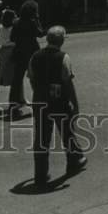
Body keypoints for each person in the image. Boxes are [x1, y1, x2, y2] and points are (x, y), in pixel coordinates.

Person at [28, 25, 87, 186]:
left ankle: (40, 174)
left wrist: (39, 92)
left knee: (42, 138)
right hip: (58, 101)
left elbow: (31, 77)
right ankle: (73, 161)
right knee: (67, 132)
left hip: (40, 101)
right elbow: (67, 82)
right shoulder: (63, 57)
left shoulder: (35, 56)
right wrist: (75, 104)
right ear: (61, 41)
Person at [8, 0, 45, 117]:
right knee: (36, 79)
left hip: (19, 53)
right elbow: (41, 33)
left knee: (17, 81)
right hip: (32, 53)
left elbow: (12, 38)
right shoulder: (32, 22)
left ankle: (12, 106)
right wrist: (38, 20)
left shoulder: (16, 22)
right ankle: (39, 103)